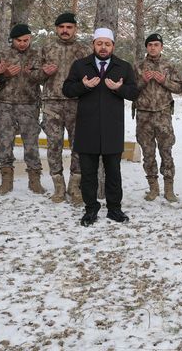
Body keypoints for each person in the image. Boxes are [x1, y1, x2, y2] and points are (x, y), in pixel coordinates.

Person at [62, 28, 138, 226]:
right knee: (88, 174)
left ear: (113, 46)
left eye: (107, 44)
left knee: (113, 172)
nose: (103, 47)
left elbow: (134, 92)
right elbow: (67, 90)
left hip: (112, 128)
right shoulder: (80, 66)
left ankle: (114, 209)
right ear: (93, 44)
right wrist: (84, 86)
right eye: (99, 43)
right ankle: (90, 209)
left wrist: (119, 88)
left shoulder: (124, 66)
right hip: (87, 128)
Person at [39, 12, 91, 204]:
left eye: (69, 27)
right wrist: (43, 72)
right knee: (54, 145)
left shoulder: (84, 50)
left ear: (75, 29)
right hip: (52, 103)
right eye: (61, 27)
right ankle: (58, 187)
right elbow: (34, 75)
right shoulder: (47, 48)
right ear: (56, 29)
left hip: (78, 103)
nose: (65, 30)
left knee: (79, 146)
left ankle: (74, 187)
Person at [0, 23, 46, 196]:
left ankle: (34, 180)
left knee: (31, 144)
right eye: (19, 40)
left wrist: (38, 73)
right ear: (12, 40)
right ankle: (6, 181)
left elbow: (44, 78)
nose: (22, 43)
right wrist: (3, 74)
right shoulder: (3, 55)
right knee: (4, 142)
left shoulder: (37, 56)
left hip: (29, 104)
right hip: (6, 104)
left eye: (26, 40)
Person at [133, 33, 182, 202]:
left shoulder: (169, 66)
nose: (153, 47)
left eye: (156, 44)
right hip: (144, 116)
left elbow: (179, 88)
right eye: (150, 45)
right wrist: (142, 81)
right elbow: (130, 90)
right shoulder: (138, 66)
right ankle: (153, 188)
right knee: (148, 153)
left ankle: (169, 189)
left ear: (161, 47)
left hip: (163, 115)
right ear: (146, 47)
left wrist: (164, 80)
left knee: (166, 152)